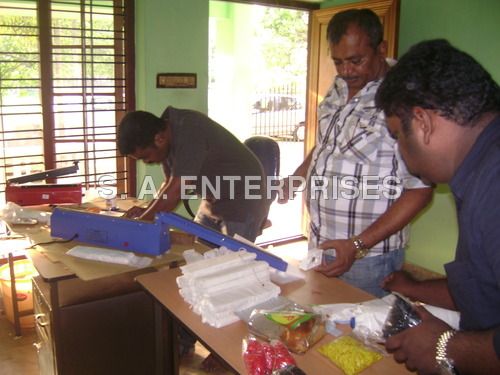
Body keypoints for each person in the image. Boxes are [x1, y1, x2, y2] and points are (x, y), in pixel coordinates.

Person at [279, 9, 433, 297]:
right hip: (320, 243)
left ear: (381, 50)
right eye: (338, 62)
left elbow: (420, 190)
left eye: (356, 61)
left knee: (363, 338)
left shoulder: (405, 99)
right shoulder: (338, 87)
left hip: (368, 259)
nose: (346, 71)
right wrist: (297, 177)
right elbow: (327, 145)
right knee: (326, 333)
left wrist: (357, 245)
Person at [376, 39, 500, 374]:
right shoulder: (479, 168)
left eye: (397, 135)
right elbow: (487, 287)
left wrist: (445, 346)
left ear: (423, 123)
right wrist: (414, 288)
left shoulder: (495, 181)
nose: (401, 151)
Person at [117, 106, 271, 243]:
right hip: (214, 198)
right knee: (199, 249)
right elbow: (170, 185)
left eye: (145, 156)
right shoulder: (166, 133)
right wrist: (148, 210)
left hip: (244, 199)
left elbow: (176, 190)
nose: (146, 162)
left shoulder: (190, 129)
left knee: (233, 263)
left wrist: (137, 227)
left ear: (159, 139)